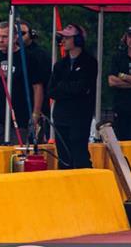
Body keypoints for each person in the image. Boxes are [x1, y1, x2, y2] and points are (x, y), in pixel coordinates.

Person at [48, 24, 98, 169]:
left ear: (77, 39)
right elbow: (51, 90)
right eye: (63, 37)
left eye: (67, 37)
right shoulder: (59, 65)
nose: (63, 40)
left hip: (80, 116)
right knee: (63, 156)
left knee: (79, 153)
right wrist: (69, 88)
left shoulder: (89, 62)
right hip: (61, 116)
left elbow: (82, 87)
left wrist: (63, 87)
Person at [0, 22, 37, 146]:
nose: (1, 40)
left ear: (15, 37)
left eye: (5, 37)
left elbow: (37, 87)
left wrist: (35, 113)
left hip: (19, 115)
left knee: (17, 153)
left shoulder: (26, 57)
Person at [18, 19, 51, 142]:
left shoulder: (40, 55)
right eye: (16, 33)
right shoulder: (13, 54)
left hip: (37, 107)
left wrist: (37, 112)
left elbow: (41, 84)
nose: (19, 36)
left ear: (31, 34)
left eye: (22, 33)